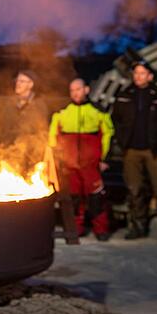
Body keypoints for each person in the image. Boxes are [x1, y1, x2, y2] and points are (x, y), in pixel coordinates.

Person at [111, 61, 157, 243]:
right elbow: (115, 119)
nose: (138, 76)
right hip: (131, 151)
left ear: (150, 76)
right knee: (134, 190)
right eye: (136, 73)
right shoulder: (125, 96)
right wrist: (122, 139)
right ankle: (138, 226)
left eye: (142, 73)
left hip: (153, 151)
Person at [49, 78, 114, 241]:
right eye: (72, 90)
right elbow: (52, 137)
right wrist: (56, 158)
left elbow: (108, 135)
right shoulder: (62, 111)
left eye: (78, 89)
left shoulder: (98, 110)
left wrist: (105, 159)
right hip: (69, 164)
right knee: (74, 197)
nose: (75, 93)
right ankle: (76, 229)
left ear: (86, 90)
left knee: (96, 197)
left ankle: (101, 229)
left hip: (91, 164)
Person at [0, 70, 49, 172]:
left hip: (30, 157)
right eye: (17, 81)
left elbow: (42, 133)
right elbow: (1, 129)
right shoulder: (9, 105)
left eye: (22, 81)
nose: (18, 84)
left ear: (31, 84)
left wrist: (36, 155)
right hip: (9, 153)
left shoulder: (38, 105)